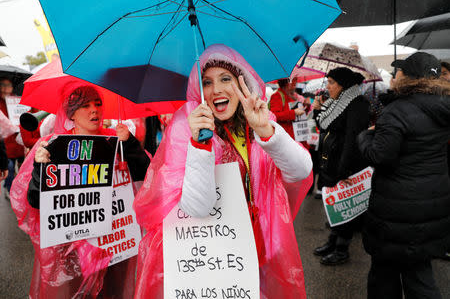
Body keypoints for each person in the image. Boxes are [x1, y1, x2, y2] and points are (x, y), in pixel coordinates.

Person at [133, 44, 313, 299]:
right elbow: (197, 207)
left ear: (243, 82)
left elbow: (301, 171)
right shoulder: (186, 125)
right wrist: (200, 144)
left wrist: (265, 131)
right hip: (210, 261)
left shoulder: (259, 116)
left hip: (259, 248)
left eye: (225, 78)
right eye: (206, 82)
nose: (216, 89)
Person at [10, 85, 150, 299]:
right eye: (85, 105)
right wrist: (41, 168)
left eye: (98, 104)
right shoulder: (53, 146)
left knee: (113, 293)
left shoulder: (116, 141)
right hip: (72, 251)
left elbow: (147, 176)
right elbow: (35, 200)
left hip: (114, 243)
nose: (94, 110)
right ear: (71, 114)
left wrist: (130, 144)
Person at [358, 52, 450, 299]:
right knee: (420, 273)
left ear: (408, 77)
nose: (394, 75)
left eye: (399, 71)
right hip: (432, 203)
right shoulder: (443, 107)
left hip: (397, 210)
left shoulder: (397, 111)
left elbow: (379, 157)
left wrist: (366, 136)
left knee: (383, 274)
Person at [312, 67, 370, 265]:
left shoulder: (357, 103)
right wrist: (318, 109)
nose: (328, 87)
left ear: (342, 84)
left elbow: (353, 139)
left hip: (345, 165)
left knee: (345, 208)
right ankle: (333, 241)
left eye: (331, 82)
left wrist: (345, 169)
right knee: (334, 205)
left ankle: (341, 249)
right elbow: (323, 126)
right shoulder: (336, 102)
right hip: (332, 162)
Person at [0, 77, 25, 198]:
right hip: (5, 142)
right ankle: (9, 189)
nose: (5, 88)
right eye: (2, 85)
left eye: (8, 85)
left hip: (18, 142)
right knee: (9, 167)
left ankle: (13, 186)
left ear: (12, 88)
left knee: (20, 168)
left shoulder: (17, 100)